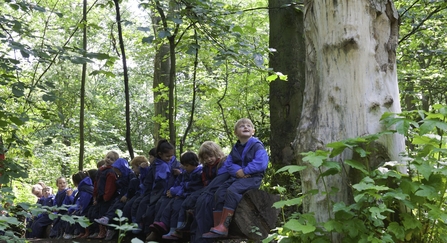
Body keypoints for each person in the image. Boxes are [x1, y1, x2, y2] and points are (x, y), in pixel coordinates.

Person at [202, 118, 269, 238]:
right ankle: (217, 226)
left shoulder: (256, 145)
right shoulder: (236, 148)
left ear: (253, 131)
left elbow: (261, 162)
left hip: (252, 178)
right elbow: (228, 164)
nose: (245, 127)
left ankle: (224, 225)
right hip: (237, 177)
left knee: (232, 191)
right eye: (241, 126)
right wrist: (237, 171)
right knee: (220, 192)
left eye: (248, 126)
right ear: (236, 133)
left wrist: (245, 171)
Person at [172, 141, 226, 236]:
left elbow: (220, 180)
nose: (209, 159)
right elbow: (204, 180)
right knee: (189, 200)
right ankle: (183, 226)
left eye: (211, 156)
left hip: (215, 189)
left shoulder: (221, 164)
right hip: (206, 188)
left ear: (217, 153)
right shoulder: (205, 167)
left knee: (197, 200)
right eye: (206, 158)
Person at [149, 151, 203, 240]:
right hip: (181, 194)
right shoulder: (186, 173)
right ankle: (163, 223)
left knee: (176, 206)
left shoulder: (198, 174)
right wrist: (173, 190)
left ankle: (176, 229)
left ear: (194, 164)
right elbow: (180, 183)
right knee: (168, 204)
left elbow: (192, 187)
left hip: (187, 196)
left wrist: (177, 193)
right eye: (184, 165)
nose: (185, 168)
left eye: (187, 166)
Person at [131, 139, 177, 239]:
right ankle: (147, 231)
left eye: (171, 156)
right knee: (148, 208)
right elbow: (151, 180)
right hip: (156, 192)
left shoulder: (173, 163)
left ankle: (153, 232)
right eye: (167, 156)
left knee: (158, 207)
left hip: (167, 192)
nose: (170, 158)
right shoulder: (156, 165)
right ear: (160, 154)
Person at [94, 158, 135, 240]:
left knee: (119, 206)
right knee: (114, 204)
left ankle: (108, 220)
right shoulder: (121, 176)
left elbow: (132, 188)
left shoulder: (131, 175)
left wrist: (126, 195)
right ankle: (108, 223)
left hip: (129, 196)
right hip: (122, 196)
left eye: (118, 170)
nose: (117, 173)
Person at [88, 151, 119, 239]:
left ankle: (106, 231)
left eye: (112, 159)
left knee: (103, 213)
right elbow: (96, 184)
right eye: (108, 157)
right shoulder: (100, 170)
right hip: (99, 197)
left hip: (107, 198)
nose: (109, 160)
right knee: (96, 213)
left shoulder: (111, 172)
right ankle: (99, 231)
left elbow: (110, 186)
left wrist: (106, 197)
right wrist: (95, 196)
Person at [61, 171, 94, 239]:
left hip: (88, 208)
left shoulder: (84, 188)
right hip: (84, 207)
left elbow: (85, 201)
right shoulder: (86, 187)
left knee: (78, 215)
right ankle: (80, 232)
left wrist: (80, 209)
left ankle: (84, 232)